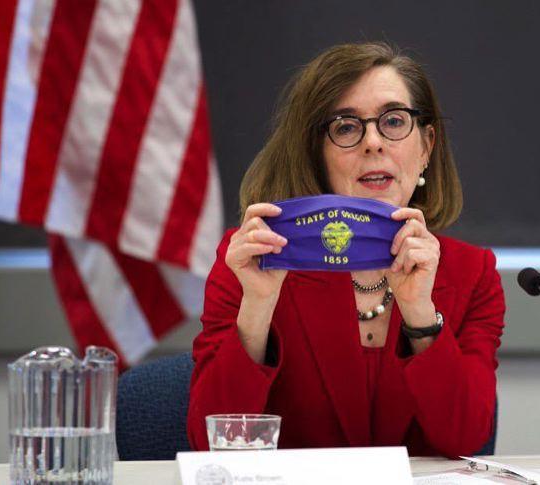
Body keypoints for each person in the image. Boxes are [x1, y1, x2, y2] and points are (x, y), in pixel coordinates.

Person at [187, 42, 505, 457]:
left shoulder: (472, 274)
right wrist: (258, 306)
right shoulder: (253, 256)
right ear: (317, 153)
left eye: (394, 121)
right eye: (346, 127)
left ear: (426, 147)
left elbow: (464, 439)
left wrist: (420, 316)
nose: (373, 142)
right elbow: (214, 445)